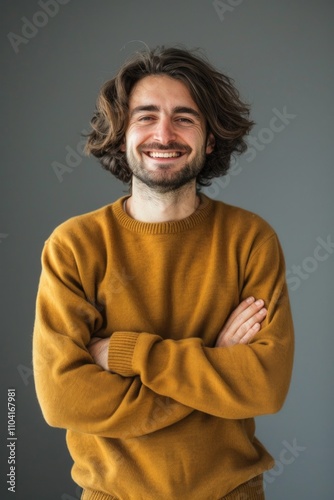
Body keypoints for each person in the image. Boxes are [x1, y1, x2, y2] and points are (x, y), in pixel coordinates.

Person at [33, 46, 294, 500]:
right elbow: (63, 399)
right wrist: (215, 359)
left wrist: (128, 354)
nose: (164, 133)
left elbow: (265, 387)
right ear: (120, 136)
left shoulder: (251, 239)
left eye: (185, 118)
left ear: (210, 138)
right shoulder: (73, 245)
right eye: (146, 116)